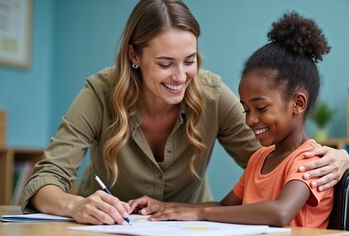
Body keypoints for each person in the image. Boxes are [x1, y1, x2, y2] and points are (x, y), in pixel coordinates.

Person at [22, 0, 349, 225]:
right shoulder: (99, 94)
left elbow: (272, 159)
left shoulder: (212, 95)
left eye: (189, 61)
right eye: (165, 64)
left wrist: (338, 159)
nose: (180, 77)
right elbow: (46, 179)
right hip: (109, 227)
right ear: (134, 56)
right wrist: (77, 204)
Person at [129, 11, 334, 228]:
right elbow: (224, 206)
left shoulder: (311, 161)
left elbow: (280, 213)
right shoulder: (259, 158)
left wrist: (201, 214)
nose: (250, 120)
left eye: (261, 108)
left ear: (298, 104)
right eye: (246, 110)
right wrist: (165, 207)